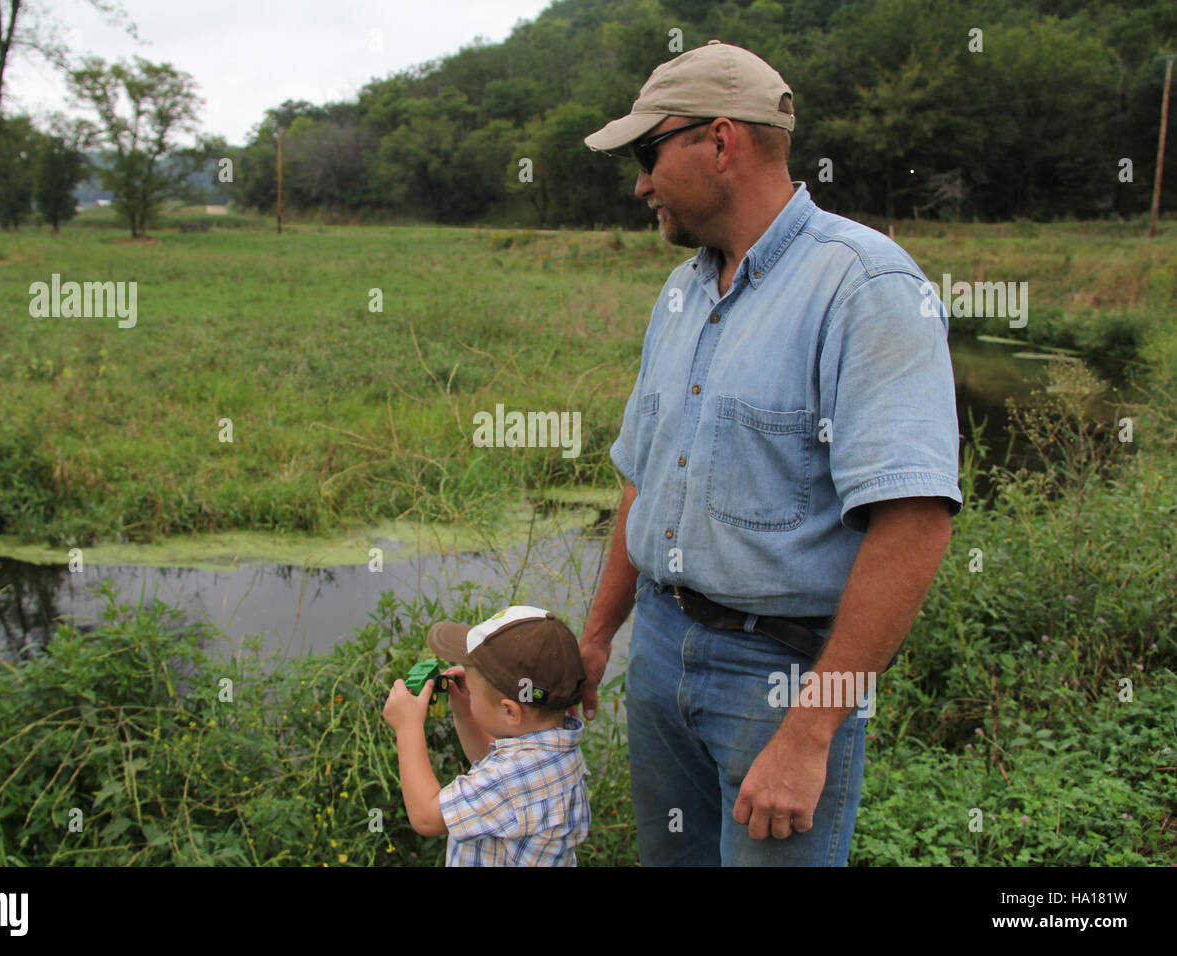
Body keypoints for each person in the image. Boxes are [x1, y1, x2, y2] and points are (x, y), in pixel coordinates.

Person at [576, 40, 963, 866]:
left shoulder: (866, 287)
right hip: (660, 650)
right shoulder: (681, 292)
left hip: (778, 675)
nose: (640, 184)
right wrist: (600, 636)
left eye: (648, 155)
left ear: (720, 142)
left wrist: (810, 731)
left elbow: (914, 523)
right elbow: (645, 476)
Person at [383, 605, 590, 865]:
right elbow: (493, 767)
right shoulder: (557, 747)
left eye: (473, 692)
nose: (470, 694)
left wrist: (408, 728)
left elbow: (426, 817)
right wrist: (466, 714)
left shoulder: (509, 780)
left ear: (510, 711)